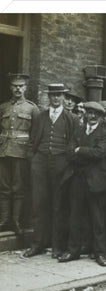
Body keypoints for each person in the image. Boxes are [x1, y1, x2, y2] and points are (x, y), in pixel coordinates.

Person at [23, 83, 77, 258]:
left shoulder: (71, 118)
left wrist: (67, 162)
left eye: (59, 95)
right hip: (40, 163)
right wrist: (33, 160)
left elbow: (73, 144)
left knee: (58, 205)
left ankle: (57, 246)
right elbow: (32, 141)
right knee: (39, 204)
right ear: (48, 96)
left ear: (63, 97)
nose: (55, 98)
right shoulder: (40, 116)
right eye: (52, 95)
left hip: (61, 164)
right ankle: (38, 244)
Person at [58, 102, 106, 267]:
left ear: (101, 117)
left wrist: (80, 149)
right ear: (85, 114)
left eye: (96, 114)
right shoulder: (78, 130)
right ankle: (73, 251)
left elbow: (99, 153)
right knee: (75, 216)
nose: (92, 116)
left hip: (96, 181)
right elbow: (69, 153)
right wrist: (81, 152)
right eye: (89, 113)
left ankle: (100, 253)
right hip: (78, 180)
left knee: (97, 219)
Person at [0, 73, 39, 234]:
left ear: (25, 88)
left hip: (22, 153)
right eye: (15, 85)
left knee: (19, 187)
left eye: (21, 86)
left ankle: (16, 221)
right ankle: (4, 220)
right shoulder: (3, 107)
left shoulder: (32, 108)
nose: (18, 88)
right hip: (3, 151)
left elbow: (36, 133)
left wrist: (30, 153)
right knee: (4, 187)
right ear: (10, 87)